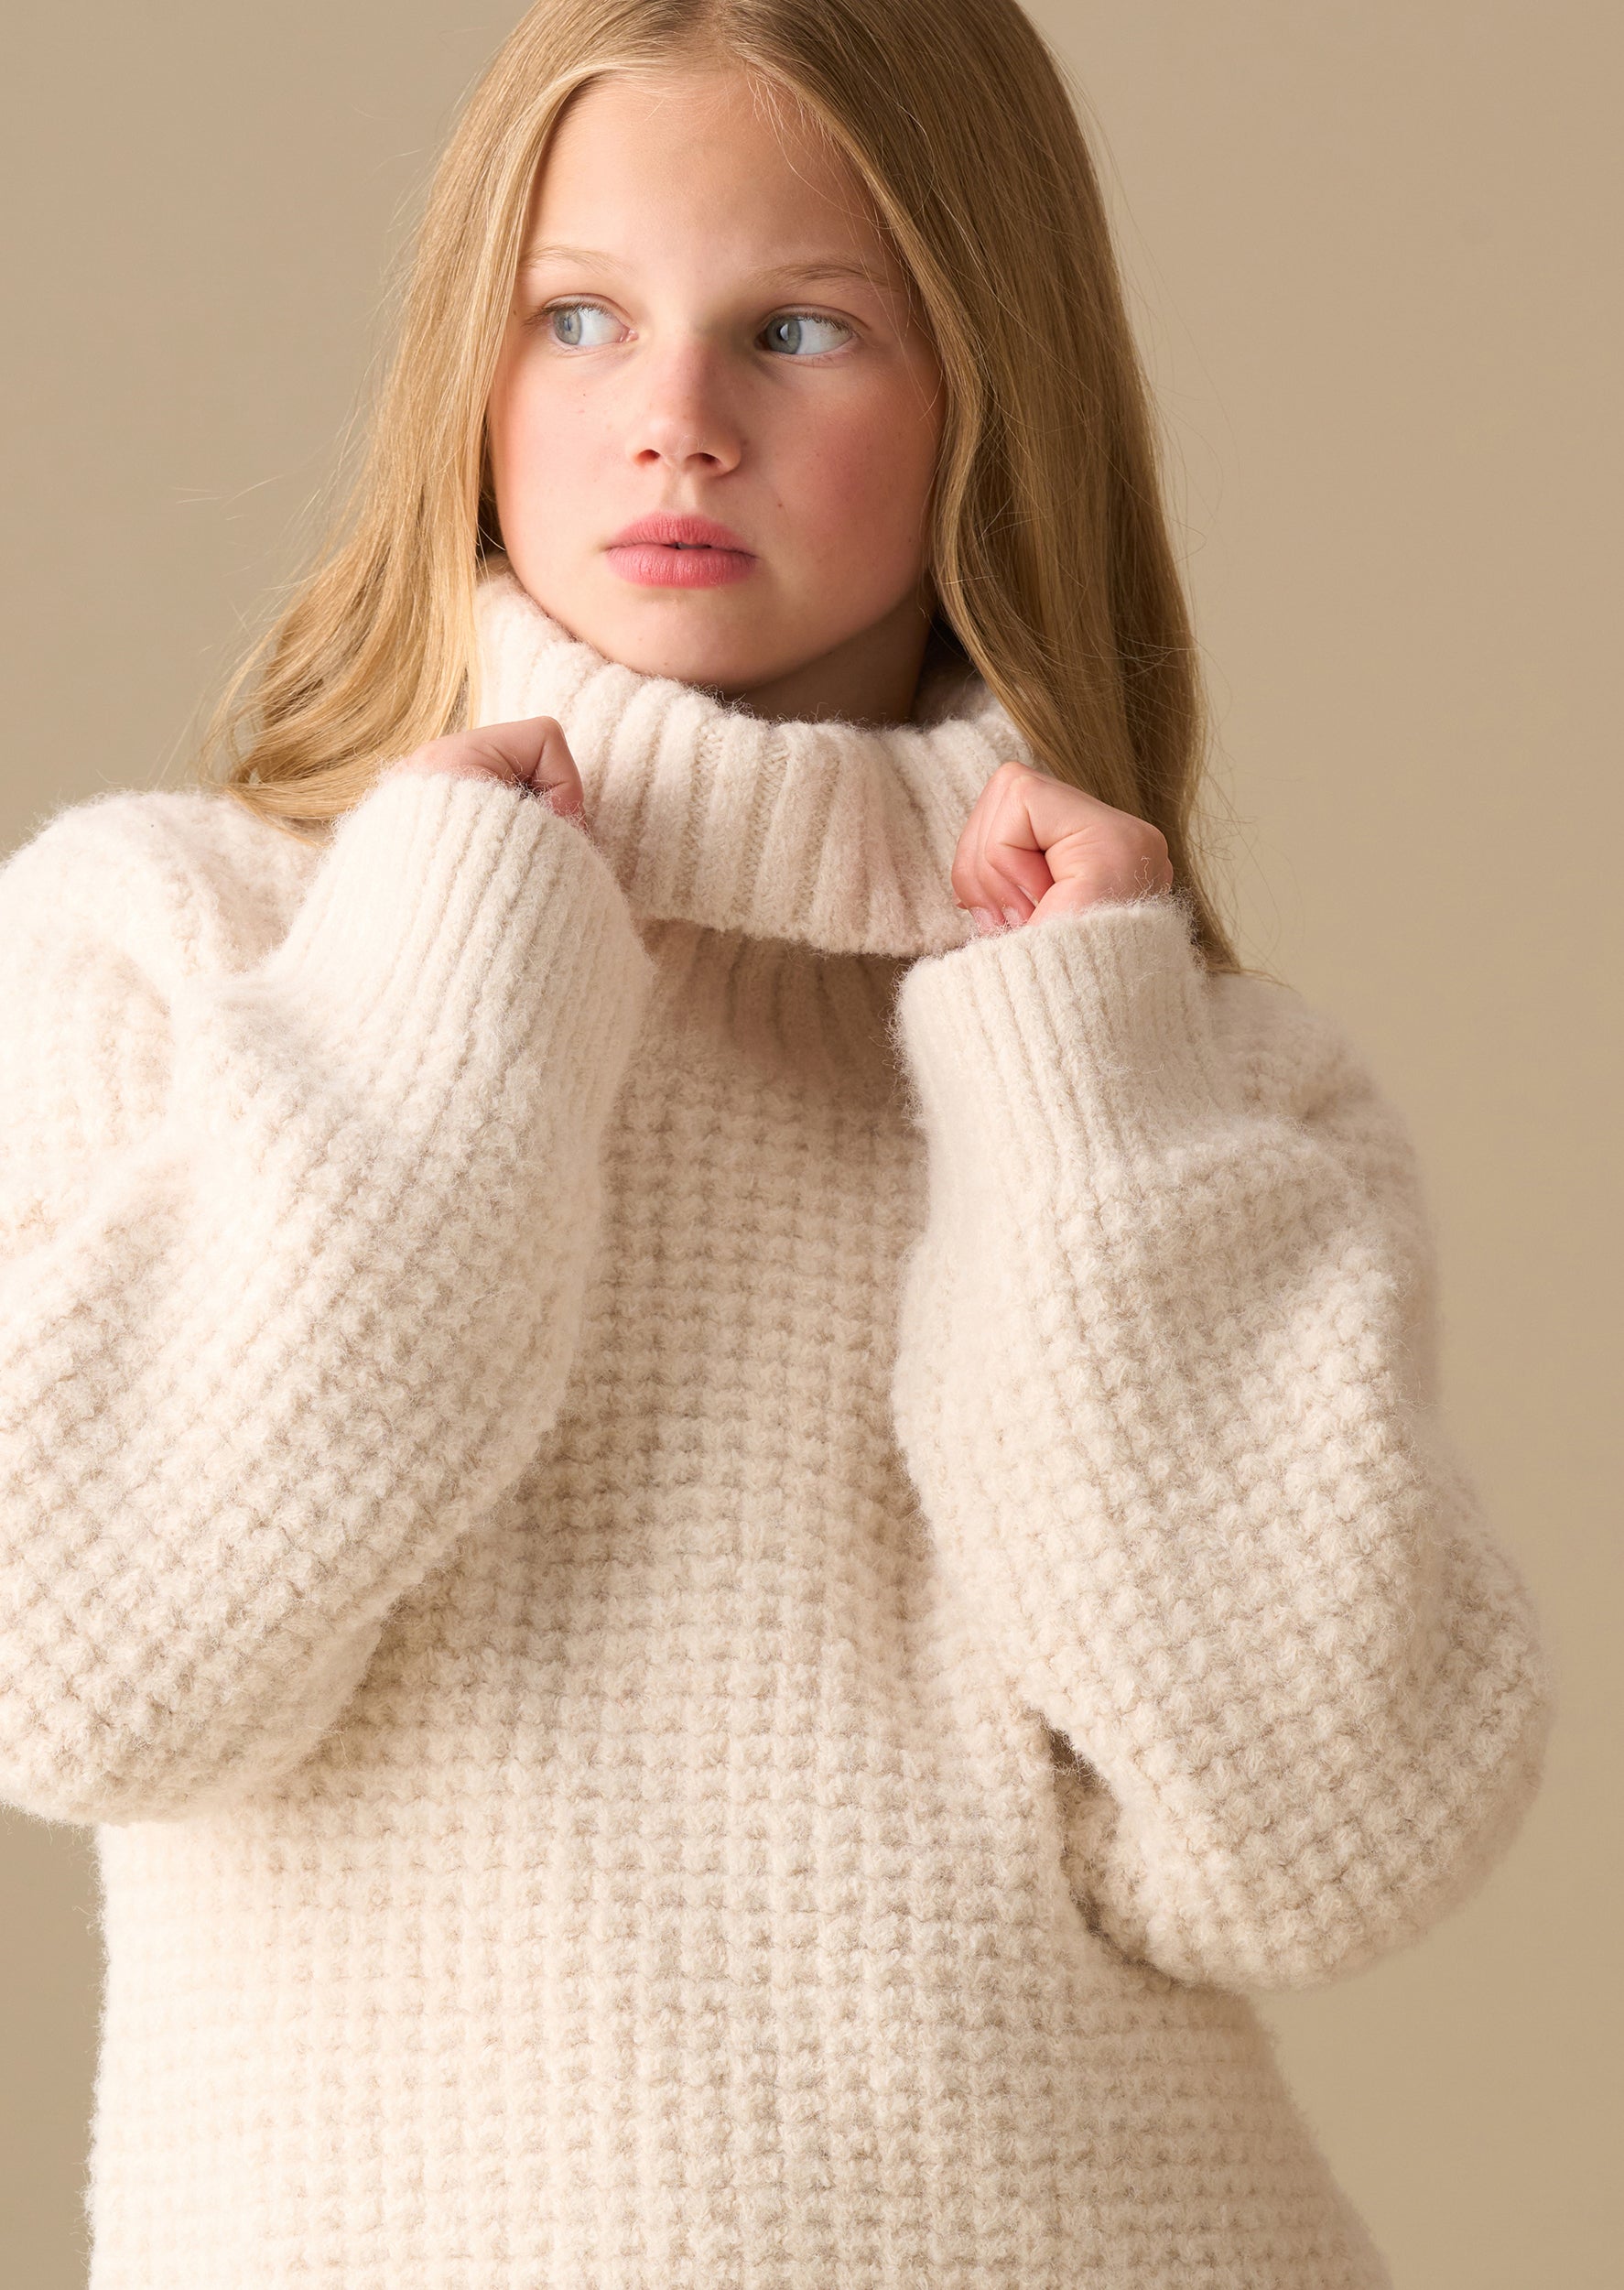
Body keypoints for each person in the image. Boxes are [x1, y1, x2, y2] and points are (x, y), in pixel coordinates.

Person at [0, 3, 1552, 2284]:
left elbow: (1327, 1842)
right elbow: (78, 1672)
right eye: (578, 318)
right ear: (469, 370)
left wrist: (1079, 1089)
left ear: (986, 393)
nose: (675, 420)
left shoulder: (1181, 1072)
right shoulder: (182, 940)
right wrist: (444, 979)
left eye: (798, 329)